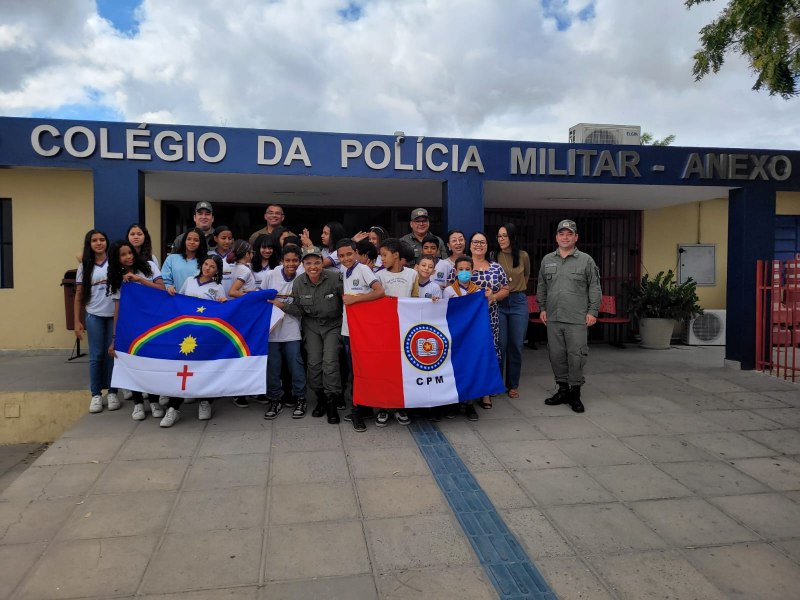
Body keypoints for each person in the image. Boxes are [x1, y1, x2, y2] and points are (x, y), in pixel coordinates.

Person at [271, 246, 344, 425]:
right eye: (309, 263)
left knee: (330, 362)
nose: (313, 267)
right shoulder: (299, 282)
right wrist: (282, 306)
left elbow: (345, 302)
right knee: (314, 363)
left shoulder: (335, 278)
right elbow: (298, 309)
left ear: (322, 263)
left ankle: (331, 402)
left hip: (332, 325)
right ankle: (320, 398)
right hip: (311, 325)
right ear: (303, 265)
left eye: (317, 262)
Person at [537, 219, 601, 414]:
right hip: (554, 317)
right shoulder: (547, 260)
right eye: (562, 234)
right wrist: (542, 307)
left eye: (569, 234)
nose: (565, 237)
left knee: (576, 356)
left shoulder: (586, 260)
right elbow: (541, 286)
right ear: (556, 237)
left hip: (577, 318)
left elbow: (594, 287)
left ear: (576, 237)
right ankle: (562, 389)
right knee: (556, 356)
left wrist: (592, 311)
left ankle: (575, 392)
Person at [161, 255, 228, 427]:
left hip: (206, 335)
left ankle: (205, 401)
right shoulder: (190, 281)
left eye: (212, 266)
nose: (207, 268)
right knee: (182, 368)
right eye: (206, 264)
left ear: (217, 271)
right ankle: (172, 409)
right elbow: (179, 301)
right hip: (187, 335)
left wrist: (223, 303)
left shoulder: (218, 287)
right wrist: (170, 291)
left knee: (206, 368)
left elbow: (222, 312)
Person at [106, 240, 166, 421]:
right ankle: (138, 403)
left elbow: (161, 289)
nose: (128, 257)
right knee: (133, 363)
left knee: (151, 363)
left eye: (129, 253)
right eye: (123, 255)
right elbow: (117, 309)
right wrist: (115, 338)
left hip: (152, 323)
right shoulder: (116, 277)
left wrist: (139, 280)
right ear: (117, 259)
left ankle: (154, 400)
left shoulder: (149, 267)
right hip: (130, 325)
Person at [336, 238, 385, 432]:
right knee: (354, 371)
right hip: (348, 329)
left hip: (361, 331)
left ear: (356, 253)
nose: (346, 258)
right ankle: (362, 408)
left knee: (359, 372)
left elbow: (380, 292)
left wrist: (355, 301)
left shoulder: (363, 269)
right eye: (341, 255)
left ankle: (358, 412)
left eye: (349, 254)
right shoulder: (344, 271)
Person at [375, 238, 419, 426]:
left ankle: (401, 406)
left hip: (405, 329)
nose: (382, 259)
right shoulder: (379, 276)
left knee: (405, 369)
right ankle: (384, 407)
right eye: (380, 255)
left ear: (396, 255)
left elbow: (416, 299)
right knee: (386, 369)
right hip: (386, 330)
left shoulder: (412, 275)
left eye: (384, 255)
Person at [74, 229, 119, 414]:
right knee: (96, 355)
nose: (99, 243)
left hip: (114, 316)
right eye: (94, 240)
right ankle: (96, 394)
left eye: (102, 239)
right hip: (94, 315)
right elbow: (78, 295)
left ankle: (113, 391)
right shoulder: (84, 266)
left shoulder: (115, 264)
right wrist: (77, 321)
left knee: (112, 354)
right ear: (89, 244)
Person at [261, 245, 307, 420]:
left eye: (295, 260)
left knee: (296, 364)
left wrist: (283, 305)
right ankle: (274, 399)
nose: (291, 264)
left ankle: (300, 397)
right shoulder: (270, 275)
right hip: (272, 329)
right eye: (288, 260)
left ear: (300, 261)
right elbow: (260, 299)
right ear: (281, 261)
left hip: (292, 328)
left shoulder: (303, 278)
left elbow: (303, 309)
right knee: (273, 366)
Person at [468, 231, 510, 409]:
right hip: (468, 320)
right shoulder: (463, 265)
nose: (479, 245)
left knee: (488, 352)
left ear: (487, 245)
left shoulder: (496, 267)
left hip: (489, 317)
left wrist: (493, 297)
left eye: (482, 242)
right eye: (475, 242)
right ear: (470, 245)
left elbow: (506, 288)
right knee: (469, 353)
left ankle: (485, 393)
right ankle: (469, 392)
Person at [442, 255, 483, 421]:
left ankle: (469, 404)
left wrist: (488, 300)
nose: (464, 272)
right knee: (454, 368)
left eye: (467, 269)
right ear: (455, 271)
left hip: (471, 336)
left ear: (472, 271)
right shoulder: (449, 291)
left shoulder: (478, 291)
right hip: (454, 335)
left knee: (470, 368)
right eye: (461, 270)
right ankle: (453, 403)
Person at [494, 223, 531, 399]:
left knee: (516, 344)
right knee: (500, 345)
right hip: (500, 302)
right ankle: (496, 382)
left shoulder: (523, 256)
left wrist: (516, 288)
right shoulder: (494, 255)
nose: (501, 239)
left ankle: (513, 384)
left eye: (504, 236)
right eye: (499, 236)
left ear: (512, 237)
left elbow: (526, 276)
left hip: (518, 301)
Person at [162, 228, 207, 296]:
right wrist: (168, 286)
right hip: (174, 299)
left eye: (196, 240)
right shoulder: (171, 258)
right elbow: (164, 280)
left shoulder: (206, 262)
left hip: (197, 301)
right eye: (189, 239)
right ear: (184, 241)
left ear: (201, 242)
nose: (192, 242)